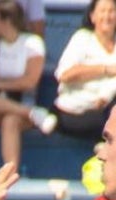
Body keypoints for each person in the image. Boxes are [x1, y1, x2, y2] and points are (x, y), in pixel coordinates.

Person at [0, 0, 57, 169]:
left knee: (10, 120)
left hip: (20, 103)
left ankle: (9, 176)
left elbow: (30, 82)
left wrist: (0, 85)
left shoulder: (32, 43)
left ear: (5, 21)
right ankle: (32, 113)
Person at [52, 0, 116, 140]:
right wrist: (104, 69)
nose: (107, 16)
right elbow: (65, 74)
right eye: (102, 11)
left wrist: (105, 95)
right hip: (74, 112)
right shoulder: (82, 39)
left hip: (105, 109)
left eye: (111, 11)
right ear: (92, 16)